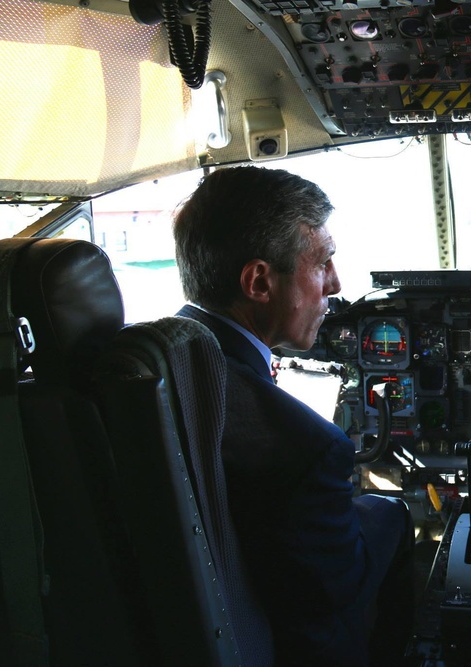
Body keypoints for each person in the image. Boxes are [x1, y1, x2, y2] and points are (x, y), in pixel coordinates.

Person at [172, 166, 414, 666]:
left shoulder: (160, 365)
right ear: (260, 280)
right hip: (280, 642)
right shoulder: (307, 448)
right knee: (390, 515)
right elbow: (337, 587)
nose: (336, 283)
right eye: (323, 262)